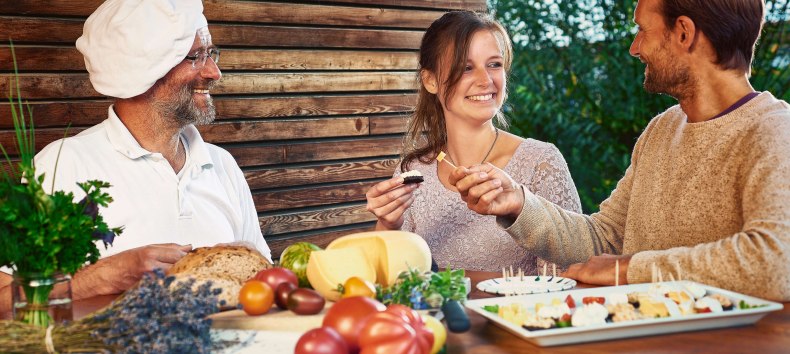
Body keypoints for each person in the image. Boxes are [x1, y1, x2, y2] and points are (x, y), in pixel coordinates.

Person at [450, 0, 790, 301]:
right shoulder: (661, 130)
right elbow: (607, 240)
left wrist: (630, 270)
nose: (634, 47)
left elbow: (776, 262)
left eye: (642, 29)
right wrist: (520, 204)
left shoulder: (773, 132)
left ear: (684, 33)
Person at [0, 0, 271, 311]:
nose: (214, 72)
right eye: (196, 57)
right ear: (141, 69)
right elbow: (4, 299)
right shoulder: (63, 165)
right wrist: (100, 277)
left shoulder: (221, 163)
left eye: (212, 54)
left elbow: (266, 278)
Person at [365, 11, 581, 274]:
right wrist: (388, 225)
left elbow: (567, 279)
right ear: (430, 80)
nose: (485, 80)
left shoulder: (542, 163)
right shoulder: (413, 171)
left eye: (494, 64)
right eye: (466, 68)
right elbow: (395, 280)